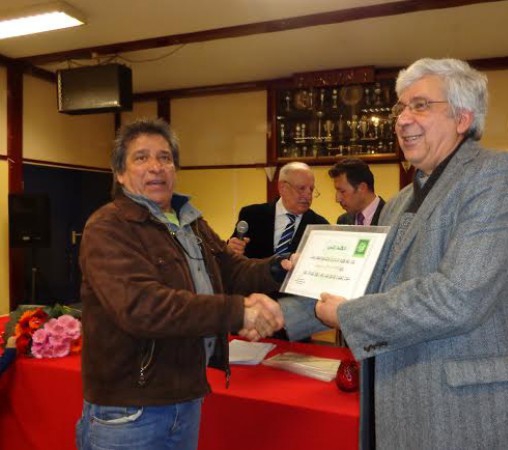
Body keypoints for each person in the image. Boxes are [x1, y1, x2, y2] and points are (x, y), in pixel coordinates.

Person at [279, 58, 508, 449]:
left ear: (463, 118)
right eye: (400, 108)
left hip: (469, 409)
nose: (402, 119)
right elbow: (370, 280)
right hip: (399, 395)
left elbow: (458, 297)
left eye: (420, 105)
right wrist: (284, 310)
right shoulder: (402, 200)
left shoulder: (499, 175)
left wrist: (346, 315)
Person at [76, 118, 285, 450]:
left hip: (186, 395)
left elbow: (231, 272)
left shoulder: (190, 221)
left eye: (165, 157)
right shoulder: (108, 226)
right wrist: (238, 311)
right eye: (141, 157)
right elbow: (142, 306)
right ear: (120, 173)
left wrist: (278, 268)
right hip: (131, 410)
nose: (156, 167)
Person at [227, 161, 328, 258]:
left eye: (311, 189)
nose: (308, 195)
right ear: (283, 188)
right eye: (301, 188)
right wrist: (231, 249)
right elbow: (233, 251)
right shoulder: (252, 215)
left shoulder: (320, 226)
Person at [328, 158, 385, 227]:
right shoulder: (343, 221)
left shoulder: (391, 217)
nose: (337, 199)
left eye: (342, 191)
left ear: (362, 188)